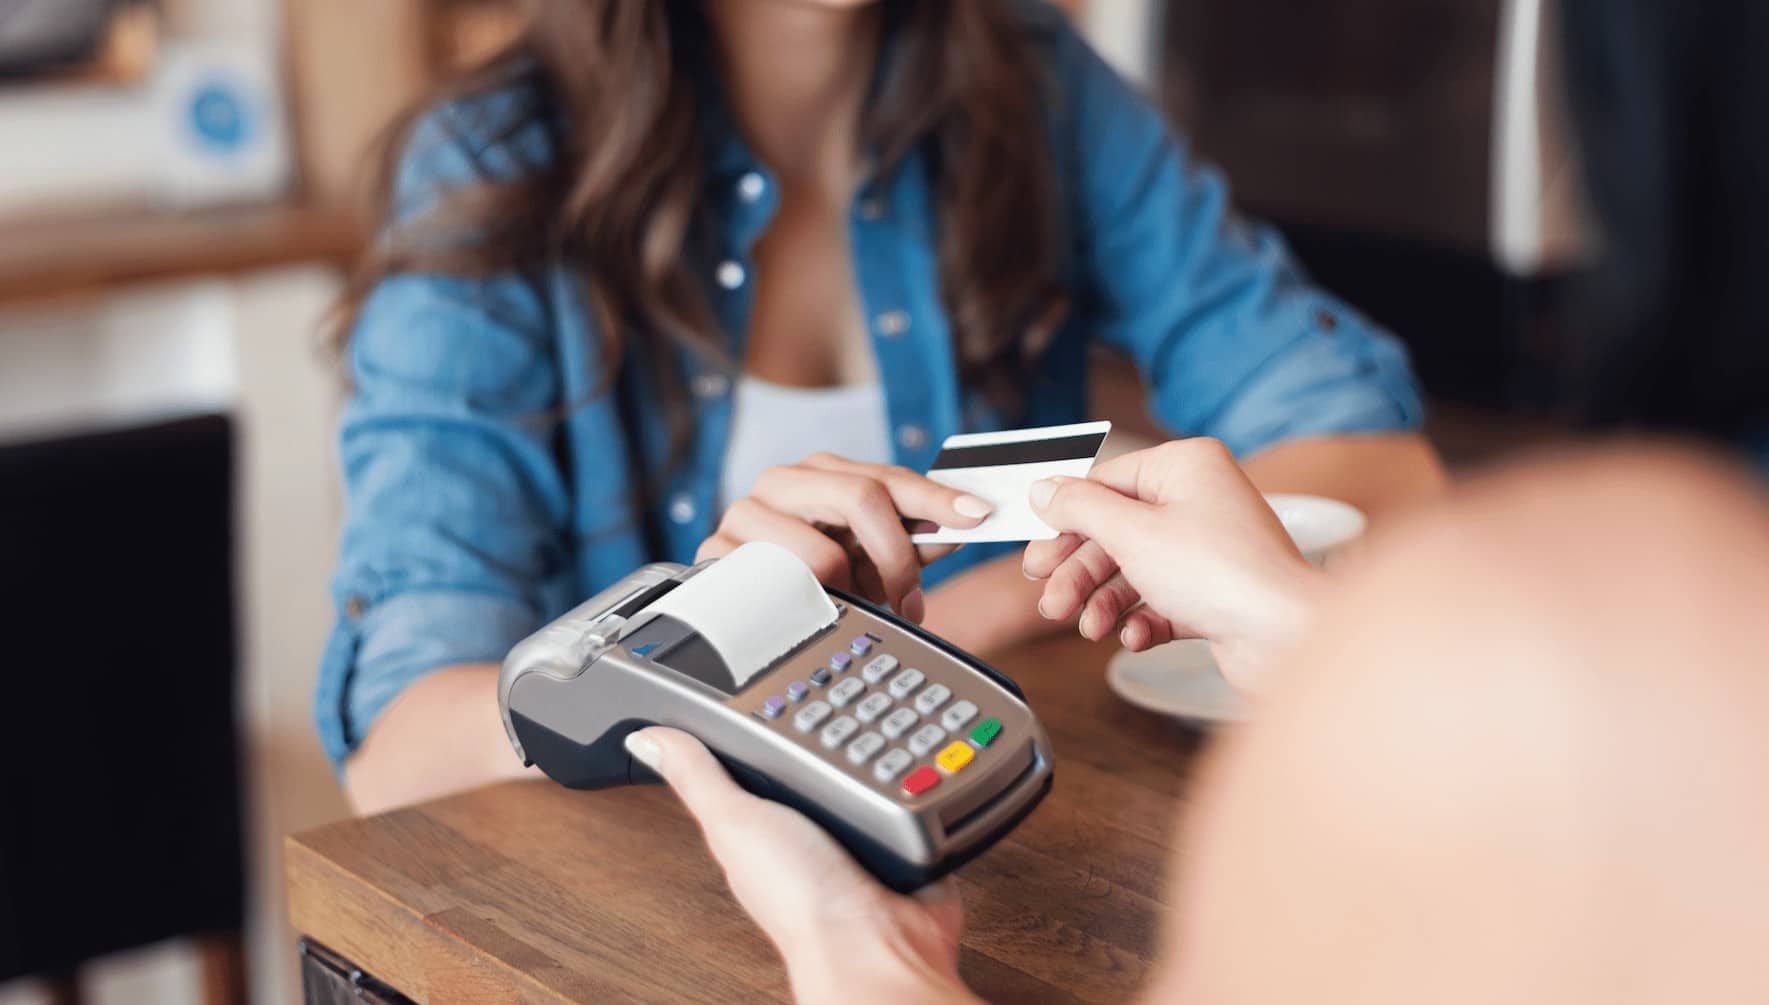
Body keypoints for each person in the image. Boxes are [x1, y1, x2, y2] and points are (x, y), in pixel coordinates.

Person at [633, 0, 1769, 998]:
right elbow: (447, 714)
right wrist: (1316, 635)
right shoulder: (493, 170)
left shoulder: (1601, 633)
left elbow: (1363, 443)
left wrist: (858, 954)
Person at [322, 0, 1443, 812]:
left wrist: (981, 612)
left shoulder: (1039, 87)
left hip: (990, 841)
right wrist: (710, 652)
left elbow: (1376, 460)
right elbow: (397, 753)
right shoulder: (494, 161)